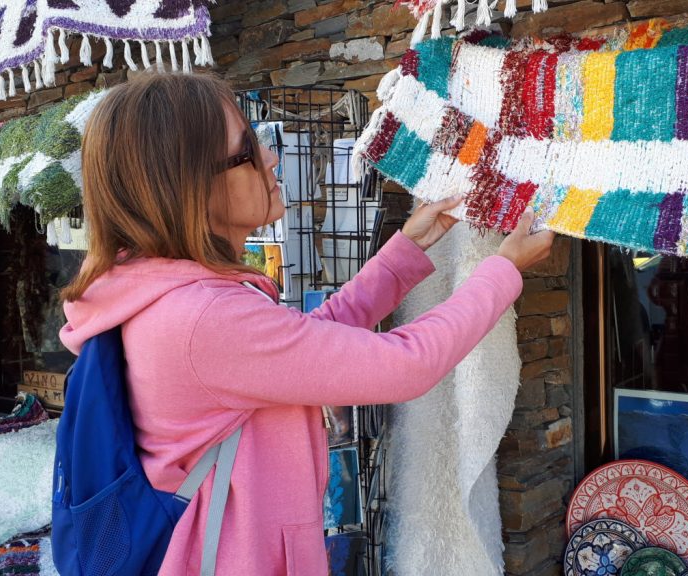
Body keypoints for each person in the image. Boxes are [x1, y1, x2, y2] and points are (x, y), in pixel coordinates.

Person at [58, 73, 554, 575]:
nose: (271, 158)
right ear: (187, 185)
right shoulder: (202, 318)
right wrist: (503, 271)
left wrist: (407, 249)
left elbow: (306, 346)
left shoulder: (162, 291)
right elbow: (407, 365)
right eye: (247, 150)